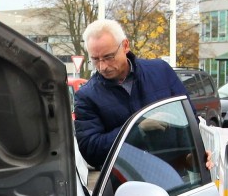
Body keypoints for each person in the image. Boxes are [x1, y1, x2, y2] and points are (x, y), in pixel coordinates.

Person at [73, 19, 189, 169]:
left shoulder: (161, 71)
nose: (102, 67)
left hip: (176, 175)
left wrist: (193, 157)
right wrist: (136, 129)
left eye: (108, 57)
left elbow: (188, 116)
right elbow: (91, 151)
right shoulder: (86, 96)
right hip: (127, 183)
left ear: (125, 46)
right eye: (95, 59)